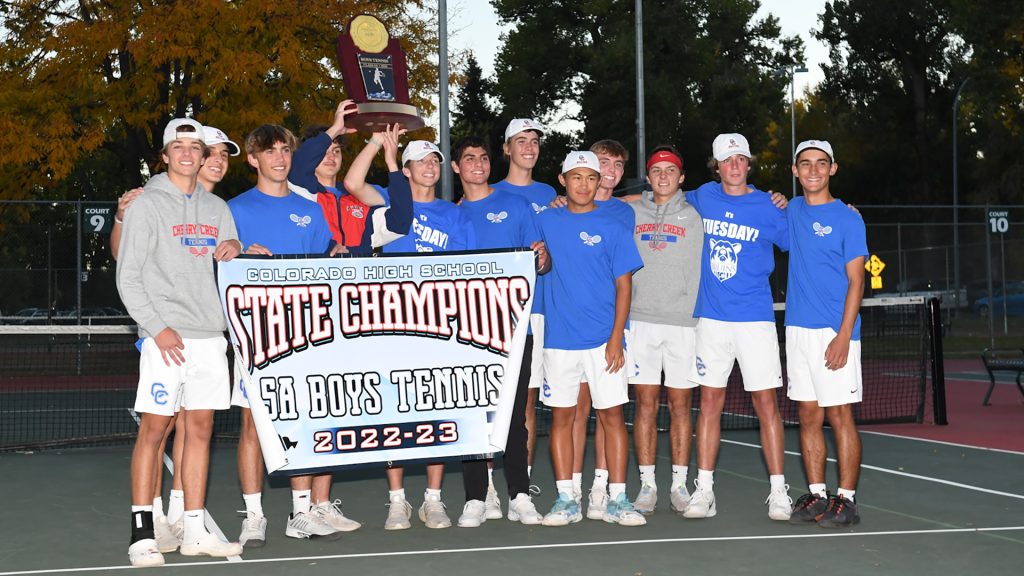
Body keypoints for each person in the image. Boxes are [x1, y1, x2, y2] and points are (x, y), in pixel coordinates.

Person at [110, 125, 242, 553]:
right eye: (178, 147)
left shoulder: (219, 207)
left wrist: (235, 247)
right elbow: (127, 276)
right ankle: (142, 532)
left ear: (203, 156)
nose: (187, 154)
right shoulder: (146, 206)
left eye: (195, 148)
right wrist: (156, 327)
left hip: (209, 336)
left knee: (200, 429)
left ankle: (194, 530)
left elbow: (226, 269)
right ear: (165, 155)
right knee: (154, 430)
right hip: (164, 337)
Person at [227, 123, 359, 546]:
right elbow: (219, 267)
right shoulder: (234, 210)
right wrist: (240, 256)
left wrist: (336, 253)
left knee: (305, 421)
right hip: (255, 334)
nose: (280, 158)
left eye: (285, 150)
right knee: (252, 426)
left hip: (306, 333)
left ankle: (301, 513)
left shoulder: (310, 207)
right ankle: (253, 515)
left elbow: (325, 257)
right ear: (253, 159)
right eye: (270, 152)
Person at [345, 135, 474, 529]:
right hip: (393, 320)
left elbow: (469, 267)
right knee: (394, 412)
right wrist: (377, 146)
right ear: (406, 170)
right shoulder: (389, 201)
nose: (430, 167)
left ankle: (433, 499)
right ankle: (397, 500)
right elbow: (352, 183)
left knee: (439, 410)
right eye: (421, 161)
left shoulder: (455, 214)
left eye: (434, 160)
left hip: (439, 324)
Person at [683, 133, 792, 521]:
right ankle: (704, 491)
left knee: (767, 406)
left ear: (748, 164)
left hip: (756, 321)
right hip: (710, 320)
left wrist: (847, 211)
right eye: (727, 160)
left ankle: (779, 492)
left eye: (741, 159)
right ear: (716, 166)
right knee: (709, 404)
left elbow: (803, 234)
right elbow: (651, 203)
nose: (734, 166)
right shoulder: (700, 198)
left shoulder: (768, 205)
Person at [536, 151, 645, 527]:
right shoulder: (545, 220)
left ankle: (618, 499)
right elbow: (538, 262)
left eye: (590, 178)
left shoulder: (614, 226)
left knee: (612, 416)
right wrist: (540, 258)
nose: (583, 185)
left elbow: (624, 286)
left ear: (599, 183)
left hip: (604, 341)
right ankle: (566, 498)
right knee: (562, 419)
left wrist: (617, 338)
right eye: (576, 177)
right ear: (563, 180)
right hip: (559, 340)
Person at [452, 135, 549, 527]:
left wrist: (542, 259)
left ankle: (519, 495)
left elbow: (542, 262)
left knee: (512, 415)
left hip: (514, 328)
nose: (478, 163)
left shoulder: (517, 205)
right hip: (467, 332)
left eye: (483, 157)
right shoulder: (453, 215)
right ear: (456, 168)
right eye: (469, 158)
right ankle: (477, 496)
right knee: (473, 413)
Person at [784, 140, 866, 528]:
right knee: (808, 415)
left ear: (833, 169)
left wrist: (843, 335)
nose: (813, 170)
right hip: (797, 331)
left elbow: (856, 282)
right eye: (806, 164)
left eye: (821, 163)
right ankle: (817, 494)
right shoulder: (790, 211)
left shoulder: (850, 219)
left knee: (840, 416)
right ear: (795, 170)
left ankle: (846, 499)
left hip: (835, 332)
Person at [625, 146, 704, 516]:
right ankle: (647, 485)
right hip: (639, 320)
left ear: (681, 176)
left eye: (670, 170)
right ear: (648, 175)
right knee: (644, 404)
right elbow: (597, 200)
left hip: (683, 324)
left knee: (680, 405)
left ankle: (678, 483)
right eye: (656, 170)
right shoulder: (631, 210)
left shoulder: (698, 212)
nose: (663, 176)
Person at [492, 118, 556, 481]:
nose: (529, 147)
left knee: (528, 401)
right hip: (502, 317)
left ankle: (522, 483)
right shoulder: (486, 192)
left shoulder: (552, 195)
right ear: (507, 149)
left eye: (534, 141)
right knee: (494, 402)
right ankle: (484, 486)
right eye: (521, 141)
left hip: (545, 313)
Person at [291, 100, 400, 252]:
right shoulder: (301, 191)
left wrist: (376, 140)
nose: (331, 157)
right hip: (317, 272)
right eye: (324, 152)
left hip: (359, 273)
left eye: (336, 151)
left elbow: (399, 211)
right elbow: (300, 162)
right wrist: (335, 129)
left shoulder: (356, 194)